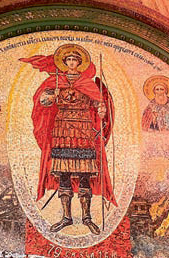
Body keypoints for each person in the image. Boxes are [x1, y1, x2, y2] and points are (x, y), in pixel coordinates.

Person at [20, 44, 116, 235]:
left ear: (80, 63)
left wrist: (102, 109)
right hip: (62, 129)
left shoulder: (87, 83)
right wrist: (51, 96)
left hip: (83, 130)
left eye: (75, 60)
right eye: (69, 60)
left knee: (85, 174)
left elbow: (99, 104)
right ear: (64, 62)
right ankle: (66, 217)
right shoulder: (55, 81)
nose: (72, 63)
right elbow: (42, 102)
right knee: (63, 173)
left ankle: (87, 217)